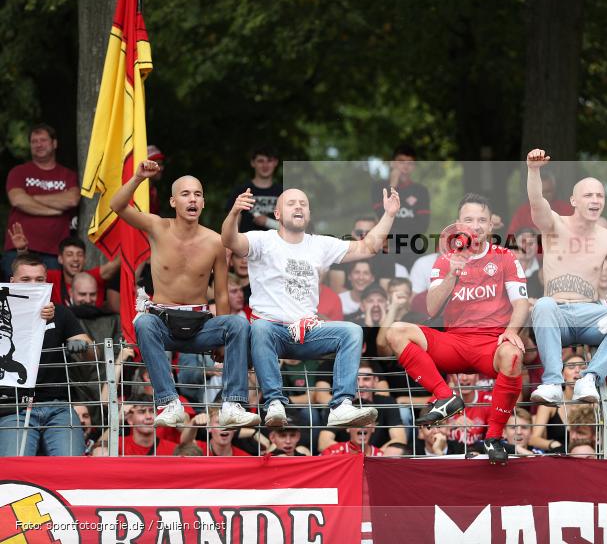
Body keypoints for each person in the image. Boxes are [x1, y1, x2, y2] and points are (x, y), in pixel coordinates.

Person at [222, 185, 401, 429]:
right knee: (260, 327)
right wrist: (235, 213)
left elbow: (368, 247)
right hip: (271, 331)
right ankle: (274, 403)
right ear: (277, 214)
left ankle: (341, 406)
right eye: (291, 203)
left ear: (308, 214)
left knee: (352, 331)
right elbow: (229, 240)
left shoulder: (320, 244)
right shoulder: (262, 240)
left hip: (308, 332)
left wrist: (389, 214)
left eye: (303, 204)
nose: (298, 206)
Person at [110, 160, 259, 429]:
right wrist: (138, 177)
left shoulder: (215, 240)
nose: (192, 199)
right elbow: (117, 206)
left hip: (201, 326)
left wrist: (222, 341)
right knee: (143, 322)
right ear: (172, 202)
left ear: (203, 203)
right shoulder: (157, 226)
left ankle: (233, 404)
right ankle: (169, 403)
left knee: (237, 324)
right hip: (163, 323)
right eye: (186, 194)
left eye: (198, 194)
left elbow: (221, 294)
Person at [384, 193, 529, 464]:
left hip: (491, 345)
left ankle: (494, 437)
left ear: (491, 225)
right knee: (396, 331)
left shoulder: (506, 257)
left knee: (513, 355)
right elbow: (431, 308)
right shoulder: (445, 260)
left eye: (481, 220)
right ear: (458, 224)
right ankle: (445, 397)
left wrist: (512, 331)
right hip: (454, 342)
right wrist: (452, 273)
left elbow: (521, 303)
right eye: (469, 220)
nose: (475, 226)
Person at [525, 149, 607, 406]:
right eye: (588, 195)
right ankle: (553, 383)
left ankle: (590, 378)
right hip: (557, 314)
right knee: (543, 305)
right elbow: (536, 202)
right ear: (573, 201)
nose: (595, 200)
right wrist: (533, 171)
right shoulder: (554, 224)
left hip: (592, 315)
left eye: (600, 195)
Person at [0, 254, 89, 456]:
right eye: (26, 280)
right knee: (13, 469)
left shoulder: (60, 312)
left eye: (39, 280)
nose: (33, 285)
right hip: (13, 407)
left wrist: (80, 345)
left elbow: (92, 350)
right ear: (12, 282)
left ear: (47, 282)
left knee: (72, 468)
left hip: (58, 407)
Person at [2, 124, 79, 280]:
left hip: (55, 252)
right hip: (18, 249)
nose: (38, 144)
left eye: (43, 140)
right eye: (34, 141)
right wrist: (55, 210)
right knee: (15, 293)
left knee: (50, 294)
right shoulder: (19, 172)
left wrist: (32, 197)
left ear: (54, 143)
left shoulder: (68, 175)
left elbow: (72, 200)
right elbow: (17, 200)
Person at [371, 145, 430, 270]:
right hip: (388, 247)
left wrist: (395, 225)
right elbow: (381, 216)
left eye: (410, 163)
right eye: (401, 161)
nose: (405, 166)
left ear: (414, 167)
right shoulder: (379, 187)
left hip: (413, 247)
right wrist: (392, 185)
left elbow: (422, 225)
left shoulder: (420, 191)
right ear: (392, 163)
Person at [225, 147, 282, 234]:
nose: (265, 165)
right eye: (260, 161)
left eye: (269, 160)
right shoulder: (241, 191)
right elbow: (232, 227)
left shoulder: (284, 193)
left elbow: (292, 228)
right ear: (252, 163)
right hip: (246, 242)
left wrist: (267, 222)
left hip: (277, 242)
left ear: (275, 162)